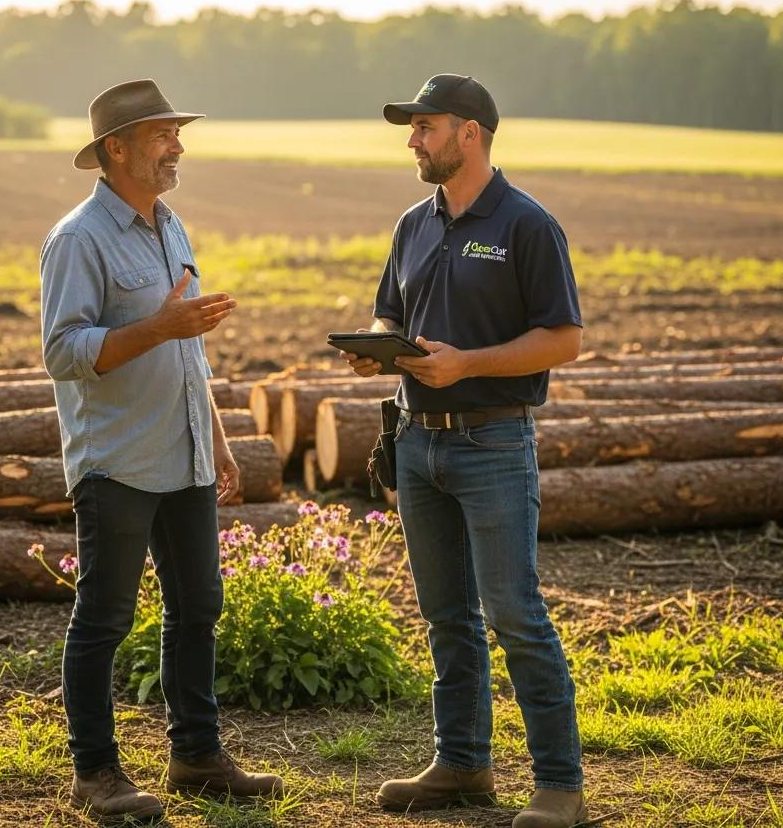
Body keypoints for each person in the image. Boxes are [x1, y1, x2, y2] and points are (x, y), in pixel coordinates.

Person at [341, 74, 587, 828]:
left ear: (470, 132)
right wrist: (378, 350)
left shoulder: (525, 224)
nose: (413, 139)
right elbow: (393, 311)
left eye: (426, 127)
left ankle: (559, 786)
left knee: (514, 612)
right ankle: (462, 765)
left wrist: (466, 363)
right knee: (445, 614)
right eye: (411, 129)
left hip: (493, 444)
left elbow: (565, 339)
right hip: (416, 444)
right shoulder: (413, 223)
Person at [40, 79, 284, 823]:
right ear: (116, 150)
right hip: (116, 461)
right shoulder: (78, 238)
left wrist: (217, 439)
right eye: (162, 135)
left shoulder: (172, 227)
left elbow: (190, 353)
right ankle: (96, 774)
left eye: (177, 132)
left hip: (185, 456)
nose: (177, 145)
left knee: (198, 607)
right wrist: (158, 328)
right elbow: (64, 351)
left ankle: (197, 758)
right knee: (105, 617)